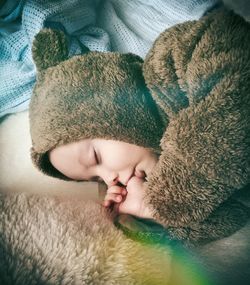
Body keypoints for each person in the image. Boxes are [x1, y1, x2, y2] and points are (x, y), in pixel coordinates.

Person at [29, 8, 250, 245]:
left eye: (95, 157)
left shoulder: (169, 61)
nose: (110, 179)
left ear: (109, 104)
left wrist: (165, 197)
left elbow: (234, 95)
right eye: (96, 178)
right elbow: (234, 213)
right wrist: (147, 213)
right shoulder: (161, 167)